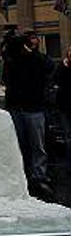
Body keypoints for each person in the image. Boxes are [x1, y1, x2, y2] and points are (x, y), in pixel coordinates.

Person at [2, 28, 56, 199]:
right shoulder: (13, 59)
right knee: (18, 144)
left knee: (37, 145)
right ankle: (22, 174)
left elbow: (49, 67)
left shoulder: (38, 58)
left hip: (34, 108)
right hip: (16, 107)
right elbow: (7, 77)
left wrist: (30, 52)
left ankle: (39, 176)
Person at [56, 46, 71, 174]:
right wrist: (65, 67)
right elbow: (59, 81)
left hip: (65, 106)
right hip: (65, 107)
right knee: (68, 137)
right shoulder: (62, 67)